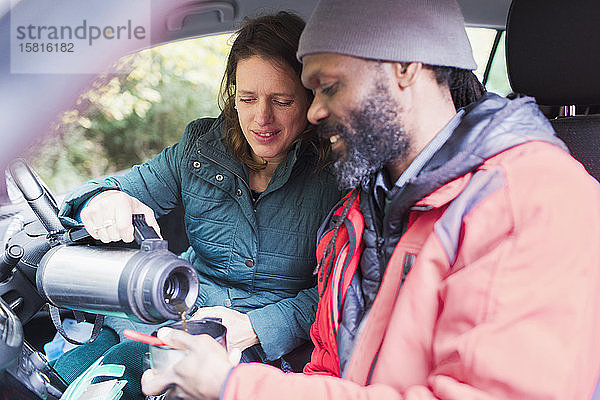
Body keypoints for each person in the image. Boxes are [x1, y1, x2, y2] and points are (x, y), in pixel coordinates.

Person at [140, 0, 600, 399]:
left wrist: (234, 387)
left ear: (405, 67)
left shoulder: (532, 198)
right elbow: (327, 370)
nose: (315, 111)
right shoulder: (357, 214)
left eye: (330, 86)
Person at [54, 11, 342, 398]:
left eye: (283, 100)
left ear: (309, 98)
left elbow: (339, 292)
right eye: (247, 98)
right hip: (178, 317)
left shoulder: (338, 171)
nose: (262, 118)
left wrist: (256, 327)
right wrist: (104, 200)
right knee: (65, 372)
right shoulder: (200, 148)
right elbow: (97, 191)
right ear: (232, 96)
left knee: (127, 369)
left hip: (272, 350)